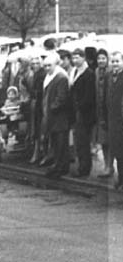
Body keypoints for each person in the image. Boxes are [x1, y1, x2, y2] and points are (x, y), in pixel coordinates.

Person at [42, 53, 72, 179]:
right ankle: (58, 166)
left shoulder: (61, 77)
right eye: (45, 66)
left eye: (49, 65)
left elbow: (61, 97)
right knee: (56, 142)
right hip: (52, 116)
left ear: (55, 65)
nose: (47, 68)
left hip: (59, 117)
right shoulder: (49, 76)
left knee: (61, 143)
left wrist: (52, 107)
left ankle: (61, 167)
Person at [70, 48, 96, 178]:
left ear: (83, 58)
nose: (75, 60)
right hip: (76, 111)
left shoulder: (88, 73)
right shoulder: (74, 71)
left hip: (84, 113)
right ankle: (81, 165)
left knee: (83, 141)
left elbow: (89, 95)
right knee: (78, 141)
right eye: (73, 58)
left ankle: (85, 168)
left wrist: (80, 106)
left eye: (77, 57)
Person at [106, 52, 123, 190]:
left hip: (121, 119)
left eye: (117, 61)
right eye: (113, 61)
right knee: (117, 151)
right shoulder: (110, 77)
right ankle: (120, 178)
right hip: (113, 120)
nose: (115, 64)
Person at [95, 49, 113, 178]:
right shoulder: (96, 72)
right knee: (103, 141)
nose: (101, 61)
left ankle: (110, 166)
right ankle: (107, 165)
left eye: (103, 58)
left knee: (111, 141)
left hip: (109, 111)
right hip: (99, 111)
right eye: (99, 58)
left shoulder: (110, 72)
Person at [29, 55, 46, 164]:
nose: (35, 65)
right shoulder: (34, 75)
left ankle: (39, 153)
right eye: (33, 63)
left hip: (40, 104)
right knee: (36, 129)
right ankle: (37, 152)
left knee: (40, 129)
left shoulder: (41, 74)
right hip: (35, 104)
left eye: (37, 63)